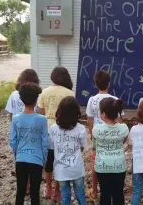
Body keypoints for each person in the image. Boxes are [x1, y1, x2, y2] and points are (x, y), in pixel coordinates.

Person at [38, 66, 75, 200]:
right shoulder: (70, 93)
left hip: (48, 128)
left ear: (52, 77)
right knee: (61, 160)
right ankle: (57, 191)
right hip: (64, 129)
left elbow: (41, 113)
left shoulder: (44, 92)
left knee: (49, 162)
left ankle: (48, 188)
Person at [9, 83, 49, 205]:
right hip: (36, 160)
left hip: (21, 158)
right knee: (34, 192)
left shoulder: (16, 118)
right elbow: (45, 142)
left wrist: (17, 155)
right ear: (36, 99)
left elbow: (13, 140)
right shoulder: (42, 119)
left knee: (20, 190)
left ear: (21, 99)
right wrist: (44, 159)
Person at [86, 70, 122, 201]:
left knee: (97, 162)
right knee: (113, 157)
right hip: (113, 134)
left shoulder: (92, 100)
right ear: (109, 84)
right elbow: (119, 120)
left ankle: (95, 190)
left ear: (95, 84)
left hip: (98, 135)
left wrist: (92, 134)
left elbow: (89, 120)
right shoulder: (114, 99)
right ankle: (113, 188)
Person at [49, 96, 87, 205]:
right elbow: (83, 146)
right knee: (80, 193)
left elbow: (51, 147)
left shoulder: (53, 129)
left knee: (65, 195)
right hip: (76, 167)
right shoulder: (80, 128)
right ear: (77, 111)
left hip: (61, 168)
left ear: (59, 110)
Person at [93, 98, 129, 205]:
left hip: (101, 166)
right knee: (118, 193)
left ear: (103, 114)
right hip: (119, 166)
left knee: (104, 193)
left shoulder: (96, 129)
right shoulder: (124, 128)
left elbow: (95, 145)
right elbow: (123, 141)